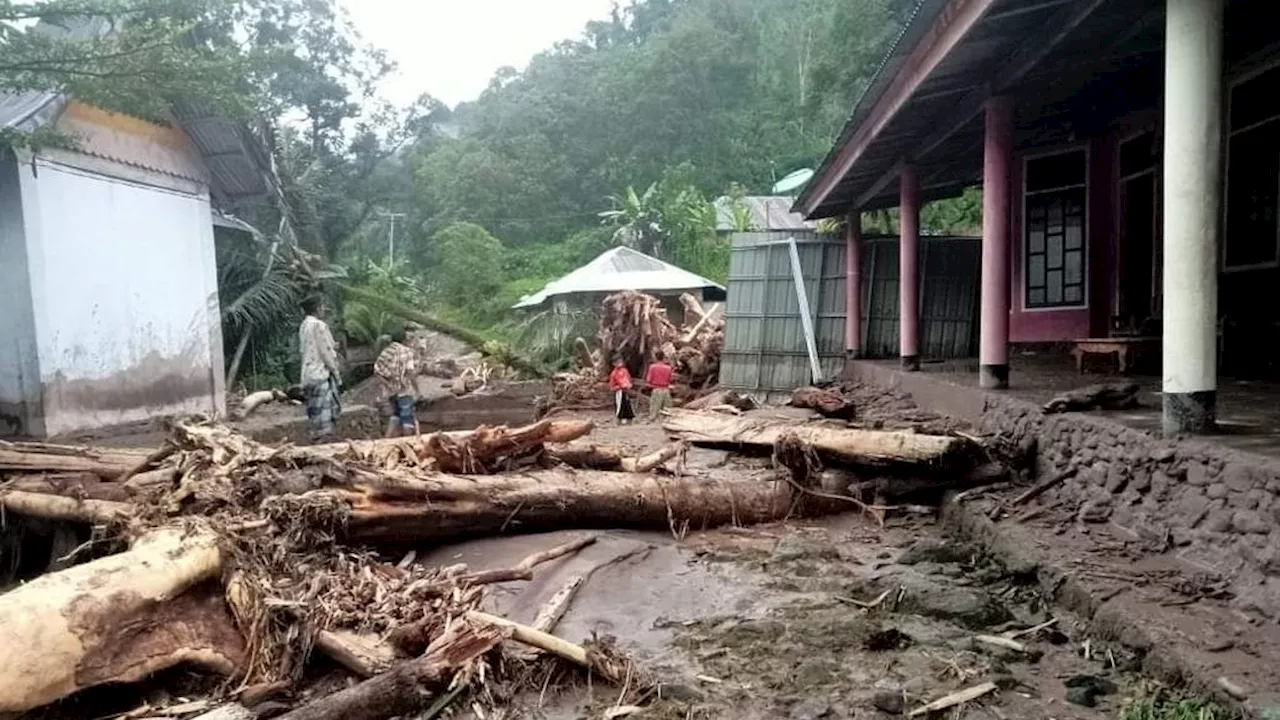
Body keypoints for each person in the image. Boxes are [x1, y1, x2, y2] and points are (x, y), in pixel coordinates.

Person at [298, 295, 342, 442]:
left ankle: (315, 440)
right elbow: (325, 352)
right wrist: (336, 372)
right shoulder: (319, 325)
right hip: (320, 374)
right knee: (325, 413)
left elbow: (312, 348)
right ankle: (324, 442)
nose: (324, 310)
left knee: (314, 412)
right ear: (317, 308)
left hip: (308, 374)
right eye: (322, 307)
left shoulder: (304, 325)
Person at [373, 329, 419, 437]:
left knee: (396, 415)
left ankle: (385, 440)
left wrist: (388, 384)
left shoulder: (386, 351)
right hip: (404, 391)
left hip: (391, 392)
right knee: (407, 418)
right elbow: (410, 372)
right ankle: (409, 441)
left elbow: (376, 371)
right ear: (404, 339)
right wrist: (417, 390)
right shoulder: (406, 351)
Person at [644, 351, 674, 422]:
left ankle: (653, 420)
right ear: (663, 357)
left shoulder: (652, 367)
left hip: (656, 389)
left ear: (655, 357)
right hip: (666, 389)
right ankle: (666, 421)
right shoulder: (668, 368)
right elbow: (671, 379)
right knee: (667, 408)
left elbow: (649, 379)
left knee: (654, 408)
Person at [607, 357, 635, 425]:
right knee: (620, 406)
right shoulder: (613, 373)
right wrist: (619, 387)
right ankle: (618, 420)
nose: (620, 363)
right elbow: (611, 386)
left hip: (626, 391)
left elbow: (629, 379)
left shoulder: (625, 371)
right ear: (614, 364)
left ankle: (629, 420)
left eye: (620, 361)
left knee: (628, 405)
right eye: (618, 362)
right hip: (619, 391)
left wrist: (629, 385)